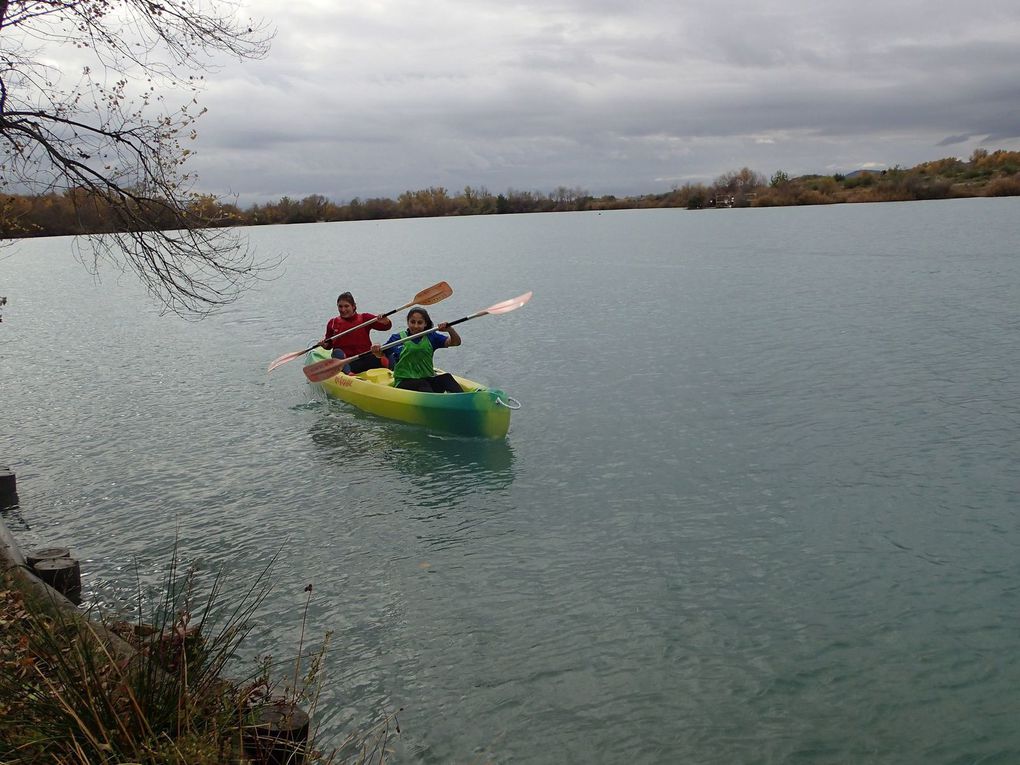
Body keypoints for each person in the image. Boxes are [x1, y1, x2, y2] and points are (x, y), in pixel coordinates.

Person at [373, 307, 464, 392]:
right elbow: (381, 354)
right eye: (412, 322)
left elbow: (456, 342)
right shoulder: (397, 338)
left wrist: (450, 330)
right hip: (404, 382)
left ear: (425, 324)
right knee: (421, 384)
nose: (416, 326)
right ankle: (435, 403)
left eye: (420, 323)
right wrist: (377, 348)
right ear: (408, 322)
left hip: (427, 379)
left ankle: (464, 400)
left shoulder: (431, 336)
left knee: (446, 378)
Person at [321, 291, 393, 374]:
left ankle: (392, 373)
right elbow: (329, 345)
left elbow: (386, 327)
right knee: (336, 352)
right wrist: (324, 345)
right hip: (348, 363)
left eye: (346, 306)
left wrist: (385, 321)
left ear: (353, 306)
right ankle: (349, 375)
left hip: (365, 358)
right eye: (340, 306)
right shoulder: (333, 323)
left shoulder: (365, 318)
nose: (343, 309)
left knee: (388, 351)